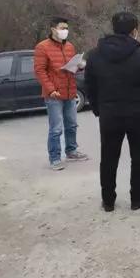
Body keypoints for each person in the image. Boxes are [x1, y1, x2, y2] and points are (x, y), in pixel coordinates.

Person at [85, 12, 140, 212]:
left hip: (109, 114)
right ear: (134, 30)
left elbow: (90, 87)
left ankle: (108, 200)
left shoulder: (94, 55)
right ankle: (137, 197)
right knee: (139, 157)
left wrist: (98, 110)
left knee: (108, 158)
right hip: (139, 115)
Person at [34, 16, 88, 171]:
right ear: (53, 29)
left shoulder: (69, 46)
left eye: (66, 28)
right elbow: (39, 71)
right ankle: (55, 158)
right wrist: (51, 89)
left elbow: (72, 68)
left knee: (71, 124)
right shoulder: (42, 47)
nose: (65, 31)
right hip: (54, 95)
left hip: (70, 91)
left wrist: (80, 65)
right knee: (56, 128)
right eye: (62, 28)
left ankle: (71, 151)